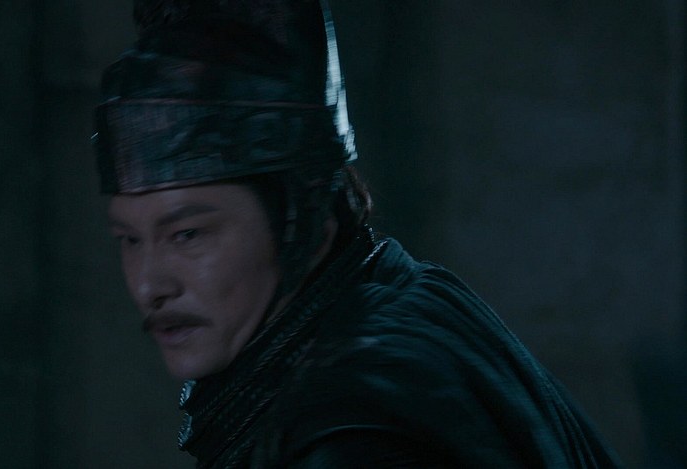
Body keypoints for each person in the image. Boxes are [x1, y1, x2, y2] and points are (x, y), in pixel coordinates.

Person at [93, 0, 621, 467]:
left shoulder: (355, 429)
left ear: (303, 218)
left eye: (187, 234)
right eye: (129, 240)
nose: (149, 286)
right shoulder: (399, 297)